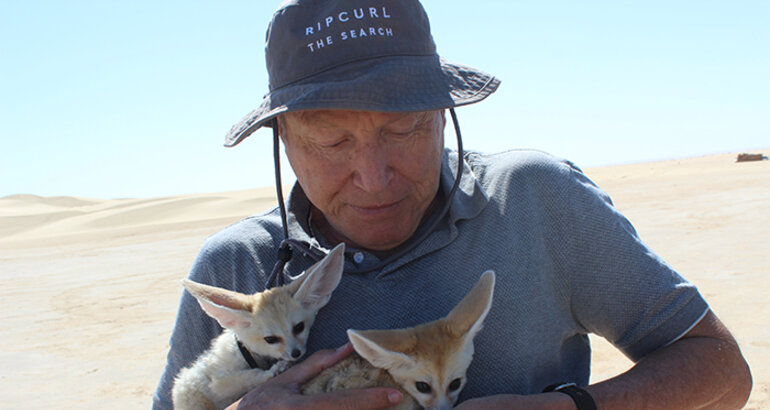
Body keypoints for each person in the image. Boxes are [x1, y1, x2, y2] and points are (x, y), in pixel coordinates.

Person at [154, 0, 752, 408]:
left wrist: (572, 408)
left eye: (405, 129)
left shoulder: (536, 203)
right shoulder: (235, 271)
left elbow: (723, 373)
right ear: (283, 141)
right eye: (333, 141)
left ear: (443, 116)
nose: (374, 177)